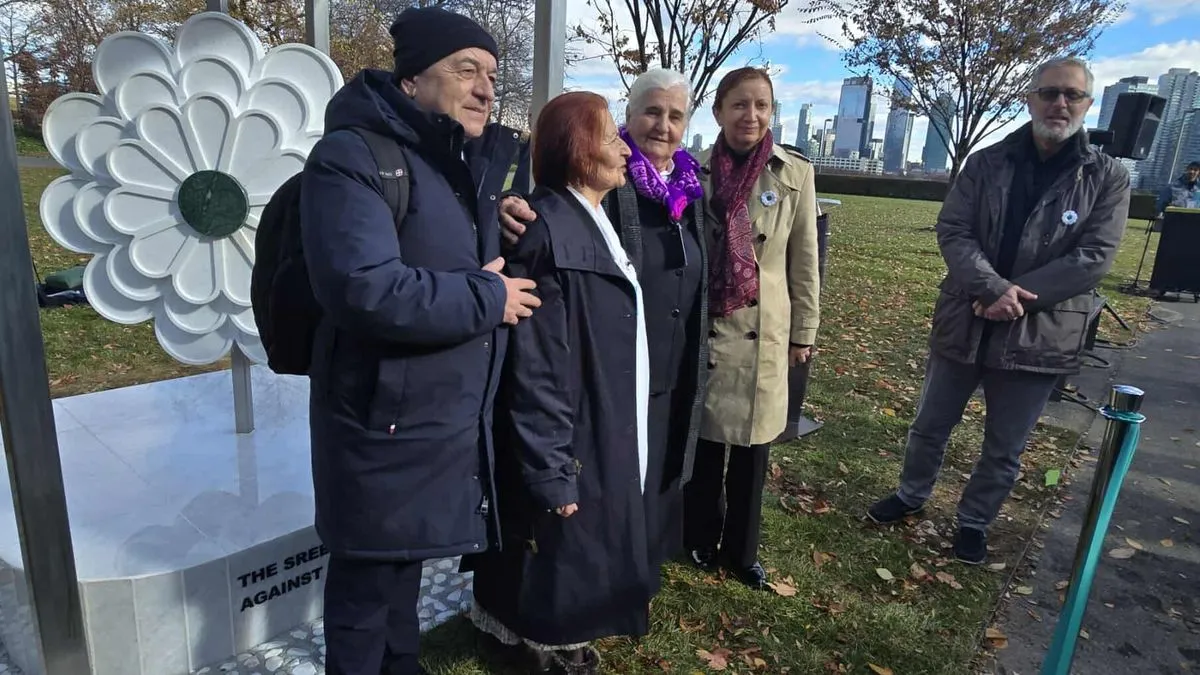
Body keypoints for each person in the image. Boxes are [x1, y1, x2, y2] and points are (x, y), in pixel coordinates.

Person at [298, 8, 541, 675]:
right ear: (411, 81)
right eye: (466, 70)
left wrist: (499, 217)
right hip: (378, 422)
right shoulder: (352, 157)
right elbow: (364, 287)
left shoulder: (453, 165)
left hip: (427, 420)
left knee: (400, 573)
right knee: (365, 590)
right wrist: (489, 298)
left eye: (491, 74)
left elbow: (439, 248)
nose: (486, 88)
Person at [866, 56, 1131, 565]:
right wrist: (991, 289)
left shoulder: (1106, 177)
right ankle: (911, 493)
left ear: (1088, 104)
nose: (1059, 104)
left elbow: (1094, 257)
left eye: (1072, 95)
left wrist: (1015, 297)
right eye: (1049, 92)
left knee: (1005, 445)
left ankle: (974, 522)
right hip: (965, 317)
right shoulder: (987, 162)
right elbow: (954, 229)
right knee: (930, 424)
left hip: (1040, 333)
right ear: (1030, 99)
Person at [498, 68, 709, 577]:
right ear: (629, 117)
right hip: (605, 376)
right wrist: (505, 209)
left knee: (654, 469)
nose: (663, 125)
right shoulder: (602, 184)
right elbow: (542, 208)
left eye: (675, 116)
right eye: (651, 112)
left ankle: (641, 563)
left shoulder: (694, 189)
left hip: (670, 362)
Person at [468, 91, 645, 675]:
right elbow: (536, 365)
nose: (626, 149)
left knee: (578, 552)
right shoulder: (544, 232)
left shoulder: (593, 218)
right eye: (611, 137)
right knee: (554, 554)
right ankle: (538, 649)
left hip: (595, 419)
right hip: (567, 435)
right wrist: (550, 467)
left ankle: (563, 638)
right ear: (578, 149)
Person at [682, 67, 820, 590]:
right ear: (718, 111)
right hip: (708, 324)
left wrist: (804, 331)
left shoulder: (795, 174)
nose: (751, 115)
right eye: (739, 104)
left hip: (765, 328)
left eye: (762, 105)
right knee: (705, 443)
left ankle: (742, 551)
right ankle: (698, 534)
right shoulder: (690, 172)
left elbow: (805, 261)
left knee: (752, 448)